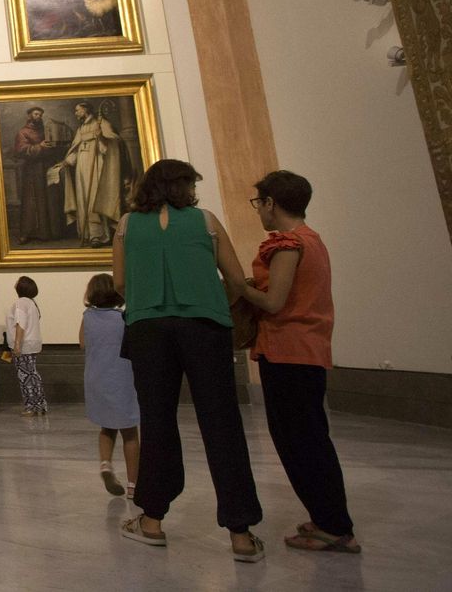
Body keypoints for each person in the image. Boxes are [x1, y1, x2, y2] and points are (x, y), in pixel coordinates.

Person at [114, 158, 263, 563]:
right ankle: (241, 534)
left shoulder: (127, 225)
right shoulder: (207, 222)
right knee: (222, 423)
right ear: (184, 187)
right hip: (204, 327)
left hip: (148, 329)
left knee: (157, 422)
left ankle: (152, 521)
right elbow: (235, 279)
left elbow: (121, 283)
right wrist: (212, 302)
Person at [239, 170, 360, 554]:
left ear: (272, 203)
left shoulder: (287, 244)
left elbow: (274, 302)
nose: (259, 211)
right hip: (302, 352)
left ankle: (334, 526)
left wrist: (237, 286)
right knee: (306, 439)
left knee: (302, 443)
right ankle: (327, 518)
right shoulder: (311, 240)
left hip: (290, 353)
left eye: (260, 203)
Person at [80, 273, 139, 499]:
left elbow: (82, 343)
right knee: (130, 432)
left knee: (107, 427)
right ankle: (133, 485)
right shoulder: (124, 318)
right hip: (122, 378)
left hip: (97, 378)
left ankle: (105, 464)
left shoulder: (88, 317)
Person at [56, 101, 127, 247]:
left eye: (77, 110)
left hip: (97, 165)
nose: (76, 113)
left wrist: (101, 137)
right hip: (82, 167)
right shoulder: (81, 128)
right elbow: (76, 148)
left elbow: (113, 144)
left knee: (94, 196)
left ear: (86, 109)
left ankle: (98, 235)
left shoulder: (100, 123)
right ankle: (86, 233)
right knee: (83, 197)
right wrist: (67, 162)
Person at [12, 107, 60, 243]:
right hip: (31, 172)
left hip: (45, 169)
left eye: (40, 114)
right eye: (36, 114)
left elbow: (50, 147)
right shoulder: (22, 132)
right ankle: (27, 233)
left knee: (47, 199)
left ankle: (46, 233)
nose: (39, 116)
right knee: (31, 202)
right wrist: (41, 146)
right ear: (29, 115)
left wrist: (52, 146)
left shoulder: (44, 131)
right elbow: (21, 151)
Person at [8, 276, 47, 416]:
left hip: (24, 345)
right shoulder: (32, 303)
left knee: (25, 376)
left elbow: (20, 323)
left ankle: (30, 406)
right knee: (33, 374)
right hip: (33, 343)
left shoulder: (20, 303)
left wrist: (17, 344)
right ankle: (40, 405)